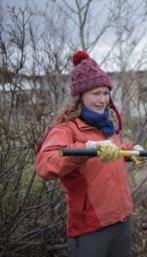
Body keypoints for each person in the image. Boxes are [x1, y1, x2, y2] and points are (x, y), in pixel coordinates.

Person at [35, 51, 138, 257]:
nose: (102, 100)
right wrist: (86, 150)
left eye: (105, 93)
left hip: (121, 220)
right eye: (95, 94)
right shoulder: (66, 129)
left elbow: (111, 151)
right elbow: (45, 165)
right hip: (91, 228)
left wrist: (130, 151)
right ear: (80, 97)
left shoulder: (105, 127)